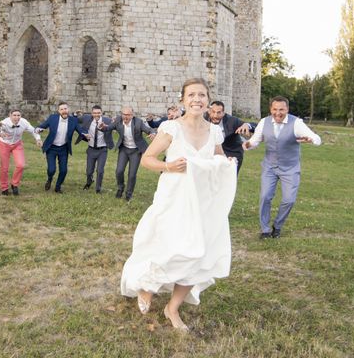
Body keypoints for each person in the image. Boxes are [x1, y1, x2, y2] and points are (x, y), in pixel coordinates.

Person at [121, 78, 237, 332]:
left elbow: (216, 160)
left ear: (208, 100)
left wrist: (225, 164)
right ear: (183, 100)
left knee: (198, 253)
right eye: (192, 95)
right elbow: (147, 159)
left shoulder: (214, 131)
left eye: (202, 95)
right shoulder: (171, 128)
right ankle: (147, 286)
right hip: (174, 196)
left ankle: (172, 308)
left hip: (202, 200)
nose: (197, 99)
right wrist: (169, 166)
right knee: (167, 246)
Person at [243, 96, 322, 239]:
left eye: (281, 109)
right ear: (270, 109)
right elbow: (255, 140)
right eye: (275, 109)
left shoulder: (296, 123)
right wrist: (247, 144)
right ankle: (265, 229)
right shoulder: (264, 122)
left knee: (289, 200)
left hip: (290, 168)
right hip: (270, 167)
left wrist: (311, 140)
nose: (278, 113)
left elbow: (317, 138)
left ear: (287, 109)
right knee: (265, 196)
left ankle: (277, 226)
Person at [35, 102, 88, 194]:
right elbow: (40, 127)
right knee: (51, 170)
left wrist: (85, 135)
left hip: (64, 148)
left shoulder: (73, 120)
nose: (64, 111)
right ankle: (49, 179)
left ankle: (58, 187)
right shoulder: (53, 118)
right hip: (51, 148)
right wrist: (38, 130)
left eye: (65, 109)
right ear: (58, 111)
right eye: (62, 109)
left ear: (68, 110)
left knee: (63, 170)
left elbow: (81, 131)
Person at [0, 108, 42, 196]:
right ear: (10, 116)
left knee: (21, 165)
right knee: (4, 168)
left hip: (17, 144)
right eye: (14, 115)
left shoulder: (24, 122)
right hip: (4, 144)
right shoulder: (4, 123)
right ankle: (4, 187)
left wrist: (38, 139)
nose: (16, 117)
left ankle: (14, 184)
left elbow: (33, 130)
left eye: (18, 115)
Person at [108, 106, 155, 202]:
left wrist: (153, 133)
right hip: (124, 150)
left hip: (135, 151)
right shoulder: (118, 120)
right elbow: (108, 128)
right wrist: (103, 127)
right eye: (124, 114)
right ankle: (120, 188)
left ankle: (129, 194)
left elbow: (149, 130)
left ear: (132, 115)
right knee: (119, 171)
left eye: (128, 115)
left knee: (132, 174)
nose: (125, 117)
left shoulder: (138, 122)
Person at [207, 100, 256, 174]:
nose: (215, 115)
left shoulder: (232, 121)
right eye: (213, 112)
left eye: (219, 112)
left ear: (223, 113)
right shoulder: (204, 118)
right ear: (209, 111)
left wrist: (247, 125)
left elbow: (256, 126)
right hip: (212, 153)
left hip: (232, 153)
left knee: (229, 181)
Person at [76, 105, 114, 193]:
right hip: (91, 149)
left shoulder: (107, 120)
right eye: (94, 113)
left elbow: (116, 124)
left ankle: (98, 188)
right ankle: (89, 182)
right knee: (89, 171)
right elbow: (75, 120)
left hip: (102, 150)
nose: (96, 114)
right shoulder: (86, 118)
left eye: (98, 113)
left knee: (100, 171)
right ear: (91, 113)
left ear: (101, 113)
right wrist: (75, 114)